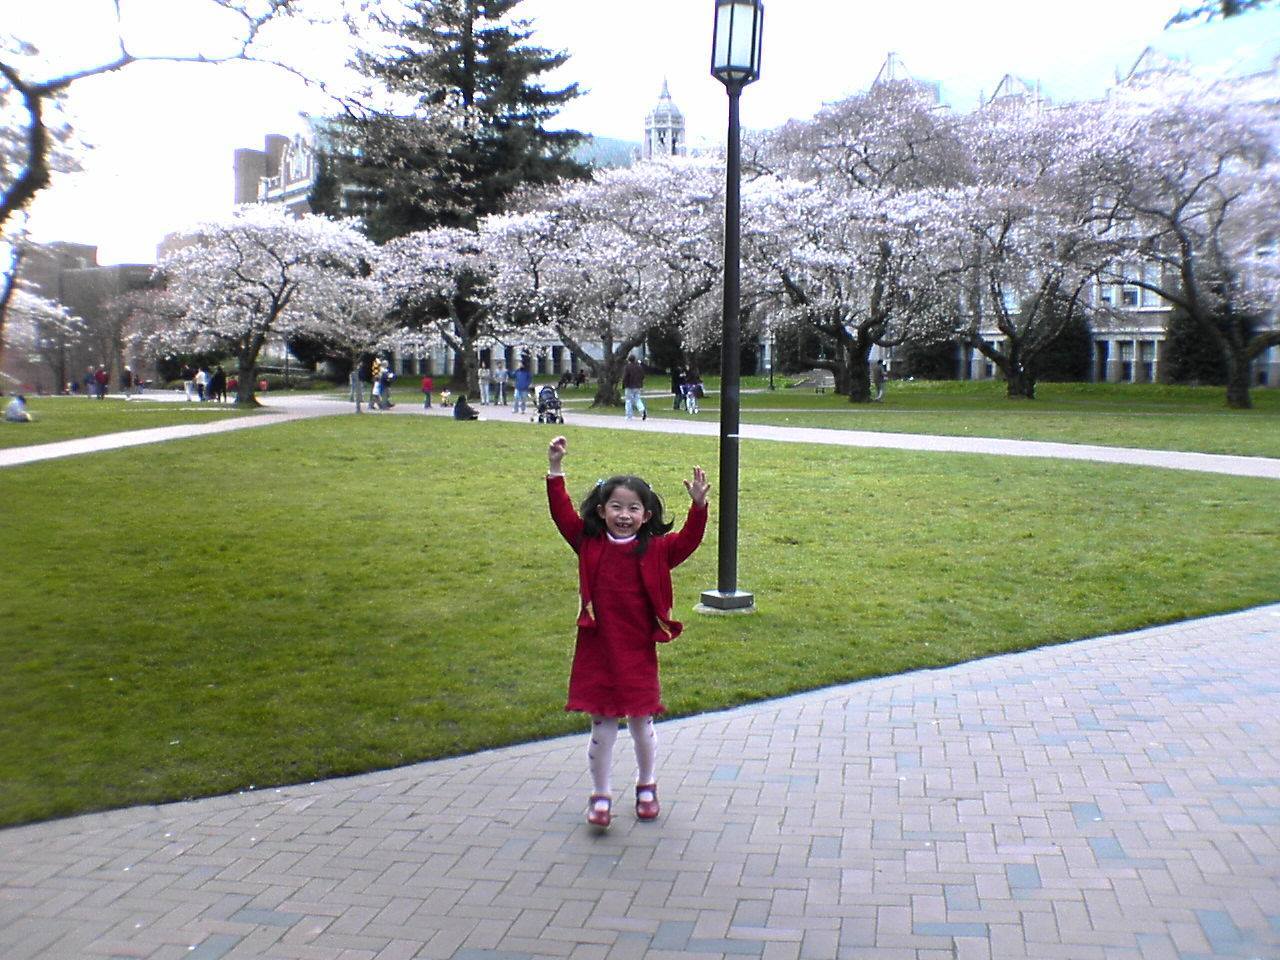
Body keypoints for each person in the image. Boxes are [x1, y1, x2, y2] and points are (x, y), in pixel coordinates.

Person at [545, 434, 710, 830]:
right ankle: (600, 794)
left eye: (633, 508)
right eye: (616, 507)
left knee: (642, 722)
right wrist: (555, 469)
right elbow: (562, 514)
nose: (624, 514)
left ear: (646, 515)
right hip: (598, 648)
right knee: (601, 726)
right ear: (601, 512)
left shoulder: (657, 550)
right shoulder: (588, 543)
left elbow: (689, 540)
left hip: (637, 650)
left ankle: (647, 785)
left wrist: (699, 506)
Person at [623, 355, 647, 421]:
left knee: (628, 401)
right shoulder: (639, 367)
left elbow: (625, 376)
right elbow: (642, 376)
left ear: (628, 360)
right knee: (637, 399)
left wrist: (624, 384)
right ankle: (642, 410)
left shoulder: (627, 367)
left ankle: (629, 416)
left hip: (629, 386)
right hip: (638, 386)